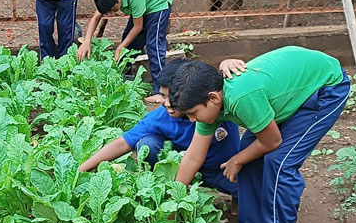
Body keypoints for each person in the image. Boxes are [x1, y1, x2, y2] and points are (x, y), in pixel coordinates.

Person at [167, 46, 350, 223]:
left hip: (324, 87)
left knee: (280, 163)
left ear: (213, 98)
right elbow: (193, 157)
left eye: (193, 113)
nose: (192, 120)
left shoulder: (242, 97)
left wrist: (236, 160)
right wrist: (173, 203)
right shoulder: (209, 101)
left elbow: (272, 142)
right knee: (249, 154)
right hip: (287, 93)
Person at [78, 59, 239, 201]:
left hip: (221, 168)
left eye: (173, 98)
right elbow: (123, 143)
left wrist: (227, 62)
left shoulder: (211, 110)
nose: (167, 104)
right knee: (148, 143)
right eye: (162, 96)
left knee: (247, 187)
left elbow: (222, 81)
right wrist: (82, 169)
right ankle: (170, 186)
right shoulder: (161, 117)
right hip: (185, 167)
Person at [77, 0, 173, 104]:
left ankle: (161, 91)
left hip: (158, 2)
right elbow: (95, 17)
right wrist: (87, 41)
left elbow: (138, 27)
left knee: (154, 46)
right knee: (130, 43)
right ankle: (126, 79)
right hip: (143, 1)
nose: (111, 13)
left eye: (112, 10)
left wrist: (119, 48)